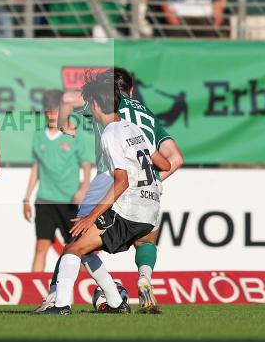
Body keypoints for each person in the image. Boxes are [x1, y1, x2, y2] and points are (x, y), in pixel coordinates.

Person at [37, 67, 184, 314]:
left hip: (113, 180)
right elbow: (174, 160)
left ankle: (58, 298)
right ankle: (130, 288)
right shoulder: (144, 116)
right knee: (144, 241)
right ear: (132, 90)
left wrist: (64, 126)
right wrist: (148, 180)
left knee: (77, 241)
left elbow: (66, 99)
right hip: (148, 189)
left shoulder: (106, 117)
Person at [22, 89, 91, 272]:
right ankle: (33, 292)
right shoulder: (39, 135)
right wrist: (27, 197)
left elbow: (86, 165)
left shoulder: (75, 133)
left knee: (76, 249)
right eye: (48, 111)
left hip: (69, 201)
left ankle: (83, 291)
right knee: (41, 246)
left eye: (55, 110)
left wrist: (83, 189)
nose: (52, 115)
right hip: (44, 199)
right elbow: (36, 167)